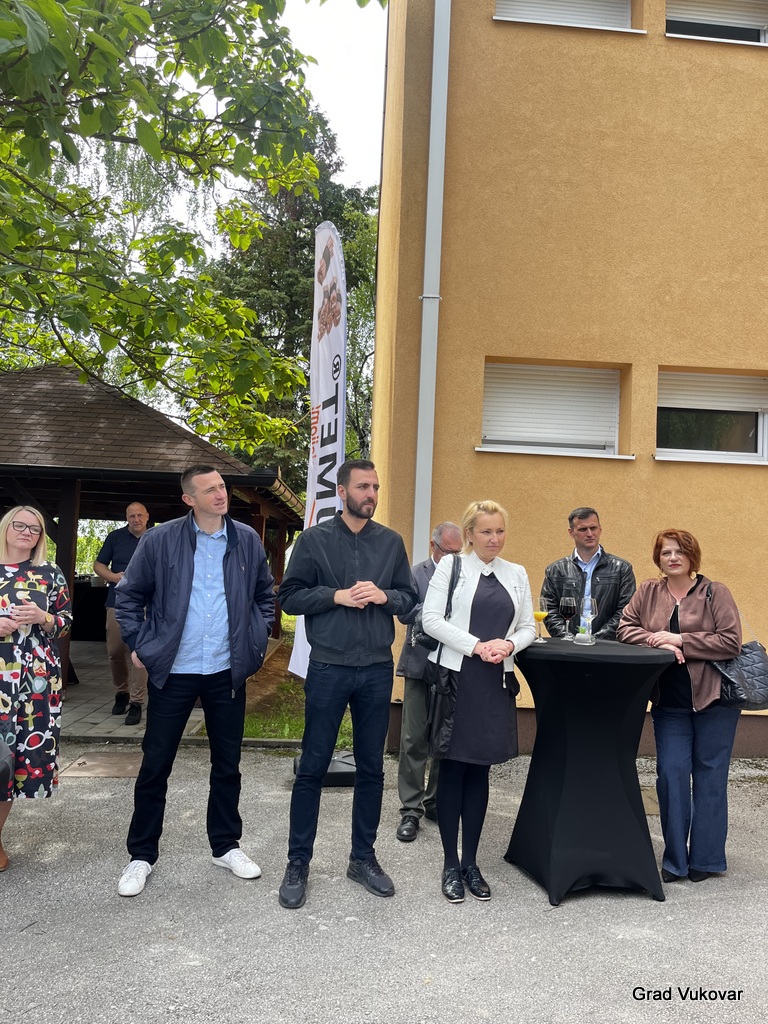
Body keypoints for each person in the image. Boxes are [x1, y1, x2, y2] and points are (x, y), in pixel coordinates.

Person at [113, 465, 275, 897]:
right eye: (210, 489)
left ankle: (226, 846)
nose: (220, 494)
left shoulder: (246, 539)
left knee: (227, 764)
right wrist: (140, 641)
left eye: (222, 486)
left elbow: (265, 595)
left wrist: (257, 638)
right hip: (175, 671)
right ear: (189, 499)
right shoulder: (160, 539)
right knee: (155, 764)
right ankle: (141, 855)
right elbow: (129, 594)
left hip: (226, 671)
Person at [276, 459, 418, 910]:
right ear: (341, 491)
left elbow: (410, 600)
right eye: (362, 486)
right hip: (328, 667)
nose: (371, 494)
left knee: (372, 768)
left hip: (376, 668)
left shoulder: (391, 542)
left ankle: (363, 858)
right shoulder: (314, 540)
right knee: (313, 766)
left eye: (375, 486)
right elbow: (289, 597)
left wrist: (385, 596)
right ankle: (298, 862)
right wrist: (335, 595)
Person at [421, 500, 535, 903]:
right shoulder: (452, 567)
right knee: (453, 770)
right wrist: (476, 646)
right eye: (486, 531)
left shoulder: (516, 573)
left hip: (494, 682)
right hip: (458, 680)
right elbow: (431, 619)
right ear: (469, 534)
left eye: (500, 531)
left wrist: (509, 644)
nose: (495, 539)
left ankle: (471, 862)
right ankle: (450, 864)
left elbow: (528, 627)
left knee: (480, 772)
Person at [617, 530, 741, 884]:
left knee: (710, 779)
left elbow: (730, 641)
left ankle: (706, 858)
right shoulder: (648, 591)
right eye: (666, 552)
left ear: (691, 556)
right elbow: (625, 628)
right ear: (658, 558)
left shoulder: (714, 592)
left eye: (679, 552)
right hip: (669, 704)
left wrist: (682, 639)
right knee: (671, 776)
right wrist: (656, 641)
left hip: (714, 701)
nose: (672, 558)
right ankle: (675, 861)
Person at [0, 505, 72, 872]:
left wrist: (43, 618)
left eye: (35, 528)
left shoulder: (50, 572)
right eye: (20, 525)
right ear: (5, 527)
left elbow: (65, 622)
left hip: (34, 681)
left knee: (11, 761)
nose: (27, 532)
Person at [395, 521, 463, 843]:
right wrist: (436, 610)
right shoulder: (416, 573)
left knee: (444, 739)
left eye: (458, 552)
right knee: (413, 739)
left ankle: (435, 801)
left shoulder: (465, 573)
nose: (454, 558)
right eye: (449, 551)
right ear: (433, 546)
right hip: (419, 664)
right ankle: (411, 809)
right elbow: (404, 613)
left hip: (452, 666)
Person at [541, 506, 636, 640]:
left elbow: (626, 611)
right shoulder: (555, 570)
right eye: (583, 529)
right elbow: (549, 610)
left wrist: (596, 640)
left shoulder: (622, 569)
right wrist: (568, 639)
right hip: (567, 646)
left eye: (593, 528)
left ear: (600, 529)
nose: (590, 533)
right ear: (571, 532)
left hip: (607, 647)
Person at [94, 501, 150, 726]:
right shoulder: (115, 538)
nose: (136, 519)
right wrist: (114, 577)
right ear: (126, 517)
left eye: (140, 515)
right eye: (131, 516)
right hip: (117, 602)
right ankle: (122, 692)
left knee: (140, 652)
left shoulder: (156, 537)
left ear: (147, 516)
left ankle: (136, 702)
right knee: (115, 650)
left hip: (148, 604)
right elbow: (99, 565)